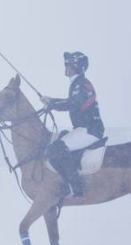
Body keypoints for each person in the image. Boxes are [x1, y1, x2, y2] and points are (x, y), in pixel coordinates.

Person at [39, 51, 105, 199]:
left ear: (77, 67)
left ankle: (74, 187)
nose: (66, 68)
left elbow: (74, 103)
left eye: (68, 65)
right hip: (83, 129)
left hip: (90, 130)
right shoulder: (77, 84)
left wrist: (52, 104)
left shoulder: (83, 84)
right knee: (59, 142)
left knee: (55, 150)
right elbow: (71, 101)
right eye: (66, 64)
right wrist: (51, 101)